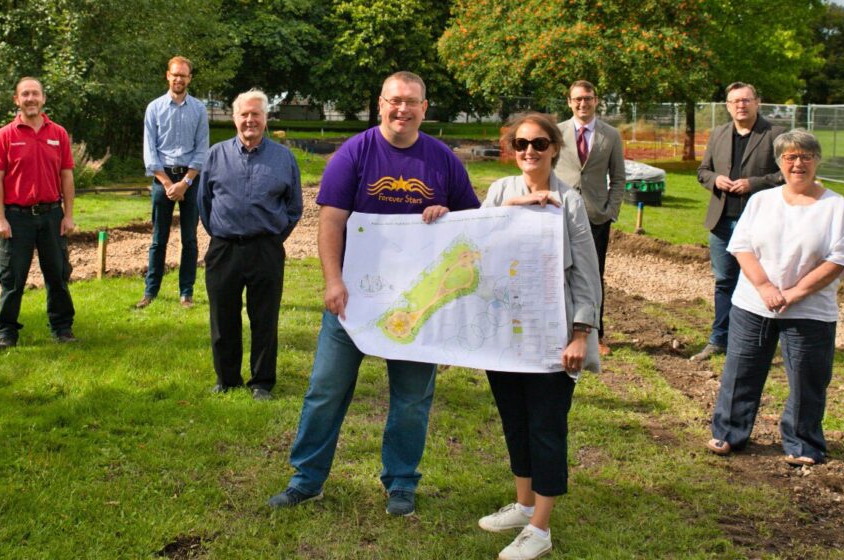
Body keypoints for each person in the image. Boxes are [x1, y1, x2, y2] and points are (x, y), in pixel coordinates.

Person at [267, 71, 480, 517]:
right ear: (380, 104)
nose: (402, 109)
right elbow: (331, 222)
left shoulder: (442, 161)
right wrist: (332, 281)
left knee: (412, 398)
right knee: (326, 389)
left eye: (411, 102)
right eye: (394, 100)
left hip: (419, 305)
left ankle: (401, 481)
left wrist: (448, 216)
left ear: (425, 107)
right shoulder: (355, 153)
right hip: (354, 302)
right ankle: (306, 479)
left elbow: (471, 231)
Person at [476, 112, 602, 560]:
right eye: (521, 143)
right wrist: (506, 213)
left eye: (540, 143)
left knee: (546, 427)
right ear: (511, 148)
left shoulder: (569, 202)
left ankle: (540, 528)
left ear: (554, 149)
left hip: (552, 337)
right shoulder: (499, 192)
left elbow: (587, 273)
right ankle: (524, 503)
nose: (530, 151)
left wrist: (581, 334)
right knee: (515, 420)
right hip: (505, 334)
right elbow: (479, 246)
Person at [707, 130, 844, 466]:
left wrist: (794, 293)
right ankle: (729, 433)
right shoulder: (763, 201)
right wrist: (764, 288)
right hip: (753, 303)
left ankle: (802, 443)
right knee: (740, 371)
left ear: (816, 161)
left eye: (805, 156)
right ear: (780, 163)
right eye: (790, 157)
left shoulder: (834, 206)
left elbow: (838, 259)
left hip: (810, 309)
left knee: (807, 378)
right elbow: (741, 246)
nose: (798, 163)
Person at [198, 89, 303, 400]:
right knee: (222, 317)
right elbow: (204, 202)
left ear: (265, 119)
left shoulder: (283, 158)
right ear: (234, 118)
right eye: (244, 114)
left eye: (256, 114)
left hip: (266, 249)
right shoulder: (215, 155)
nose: (249, 120)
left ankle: (261, 382)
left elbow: (293, 206)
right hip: (224, 248)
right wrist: (222, 231)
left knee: (264, 319)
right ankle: (227, 378)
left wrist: (272, 237)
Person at [693, 82, 785, 362]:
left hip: (758, 223)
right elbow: (702, 171)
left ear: (758, 102)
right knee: (724, 282)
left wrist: (753, 184)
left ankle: (758, 343)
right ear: (727, 106)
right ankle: (719, 340)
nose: (741, 105)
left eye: (746, 100)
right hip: (722, 221)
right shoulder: (719, 134)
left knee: (760, 282)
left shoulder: (775, 134)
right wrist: (715, 180)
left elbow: (786, 174)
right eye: (735, 101)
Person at [0, 77, 76, 350]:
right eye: (25, 94)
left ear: (43, 99)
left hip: (51, 215)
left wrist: (68, 214)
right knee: (12, 277)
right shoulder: (5, 135)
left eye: (35, 94)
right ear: (17, 100)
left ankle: (62, 328)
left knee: (57, 274)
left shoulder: (58, 133)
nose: (30, 99)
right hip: (17, 218)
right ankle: (7, 333)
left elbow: (67, 176)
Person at [556, 80, 624, 355]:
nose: (582, 103)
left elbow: (618, 178)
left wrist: (610, 210)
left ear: (596, 101)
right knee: (559, 270)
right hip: (560, 213)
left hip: (596, 216)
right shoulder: (557, 132)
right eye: (577, 99)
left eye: (588, 98)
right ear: (570, 102)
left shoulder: (611, 135)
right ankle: (561, 327)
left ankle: (597, 334)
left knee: (593, 274)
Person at [137, 56, 209, 309]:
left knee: (189, 238)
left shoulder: (199, 109)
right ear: (168, 76)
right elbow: (150, 151)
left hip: (191, 180)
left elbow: (202, 150)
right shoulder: (154, 108)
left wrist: (185, 182)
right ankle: (150, 292)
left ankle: (186, 293)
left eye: (184, 75)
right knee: (159, 239)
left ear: (190, 78)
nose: (179, 79)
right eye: (175, 74)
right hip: (162, 180)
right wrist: (168, 184)